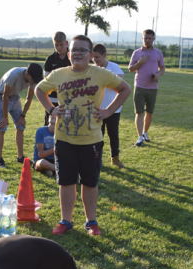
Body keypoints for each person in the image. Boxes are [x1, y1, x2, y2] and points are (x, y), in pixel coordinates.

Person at [35, 34, 131, 236]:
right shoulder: (59, 74)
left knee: (90, 182)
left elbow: (125, 88)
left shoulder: (100, 74)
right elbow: (39, 89)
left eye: (82, 50)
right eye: (74, 49)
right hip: (64, 139)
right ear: (69, 54)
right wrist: (52, 110)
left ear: (91, 55)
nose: (78, 53)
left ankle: (91, 222)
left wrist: (108, 111)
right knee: (66, 181)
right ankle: (65, 221)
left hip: (92, 140)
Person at [0, 63, 44, 168]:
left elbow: (29, 98)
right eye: (33, 79)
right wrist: (5, 117)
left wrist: (22, 116)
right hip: (0, 96)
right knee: (2, 127)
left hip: (14, 96)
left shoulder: (33, 79)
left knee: (20, 126)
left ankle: (20, 157)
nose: (34, 82)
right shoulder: (14, 75)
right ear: (27, 73)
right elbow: (5, 96)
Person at [128, 29, 165, 147]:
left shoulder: (158, 53)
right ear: (142, 38)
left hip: (153, 87)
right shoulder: (137, 53)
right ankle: (139, 137)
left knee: (149, 112)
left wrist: (158, 74)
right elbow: (131, 69)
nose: (147, 40)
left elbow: (163, 67)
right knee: (139, 113)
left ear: (154, 39)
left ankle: (145, 132)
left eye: (149, 38)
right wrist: (140, 62)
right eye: (145, 38)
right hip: (139, 87)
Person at [92, 44, 126, 169]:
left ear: (104, 55)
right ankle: (97, 159)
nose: (95, 60)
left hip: (113, 109)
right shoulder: (92, 69)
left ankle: (115, 158)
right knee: (97, 135)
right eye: (93, 57)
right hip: (97, 109)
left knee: (113, 134)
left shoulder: (114, 68)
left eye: (97, 57)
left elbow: (118, 84)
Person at [43, 32, 71, 126]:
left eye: (61, 45)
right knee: (50, 126)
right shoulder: (50, 59)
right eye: (56, 45)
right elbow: (46, 80)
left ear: (66, 43)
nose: (59, 47)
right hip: (52, 100)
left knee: (67, 125)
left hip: (69, 100)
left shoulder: (73, 58)